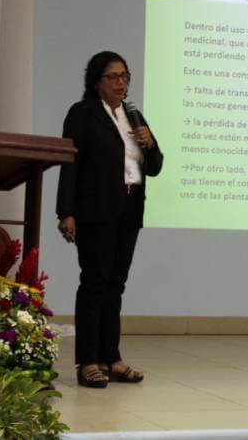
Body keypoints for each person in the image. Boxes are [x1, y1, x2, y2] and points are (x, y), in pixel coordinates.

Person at [56, 51, 163, 388]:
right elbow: (70, 163)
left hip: (129, 209)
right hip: (95, 210)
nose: (120, 82)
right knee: (95, 283)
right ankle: (88, 361)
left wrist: (150, 144)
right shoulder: (83, 113)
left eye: (124, 76)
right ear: (96, 81)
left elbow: (156, 167)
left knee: (116, 285)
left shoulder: (134, 116)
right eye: (113, 76)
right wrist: (65, 211)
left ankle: (111, 358)